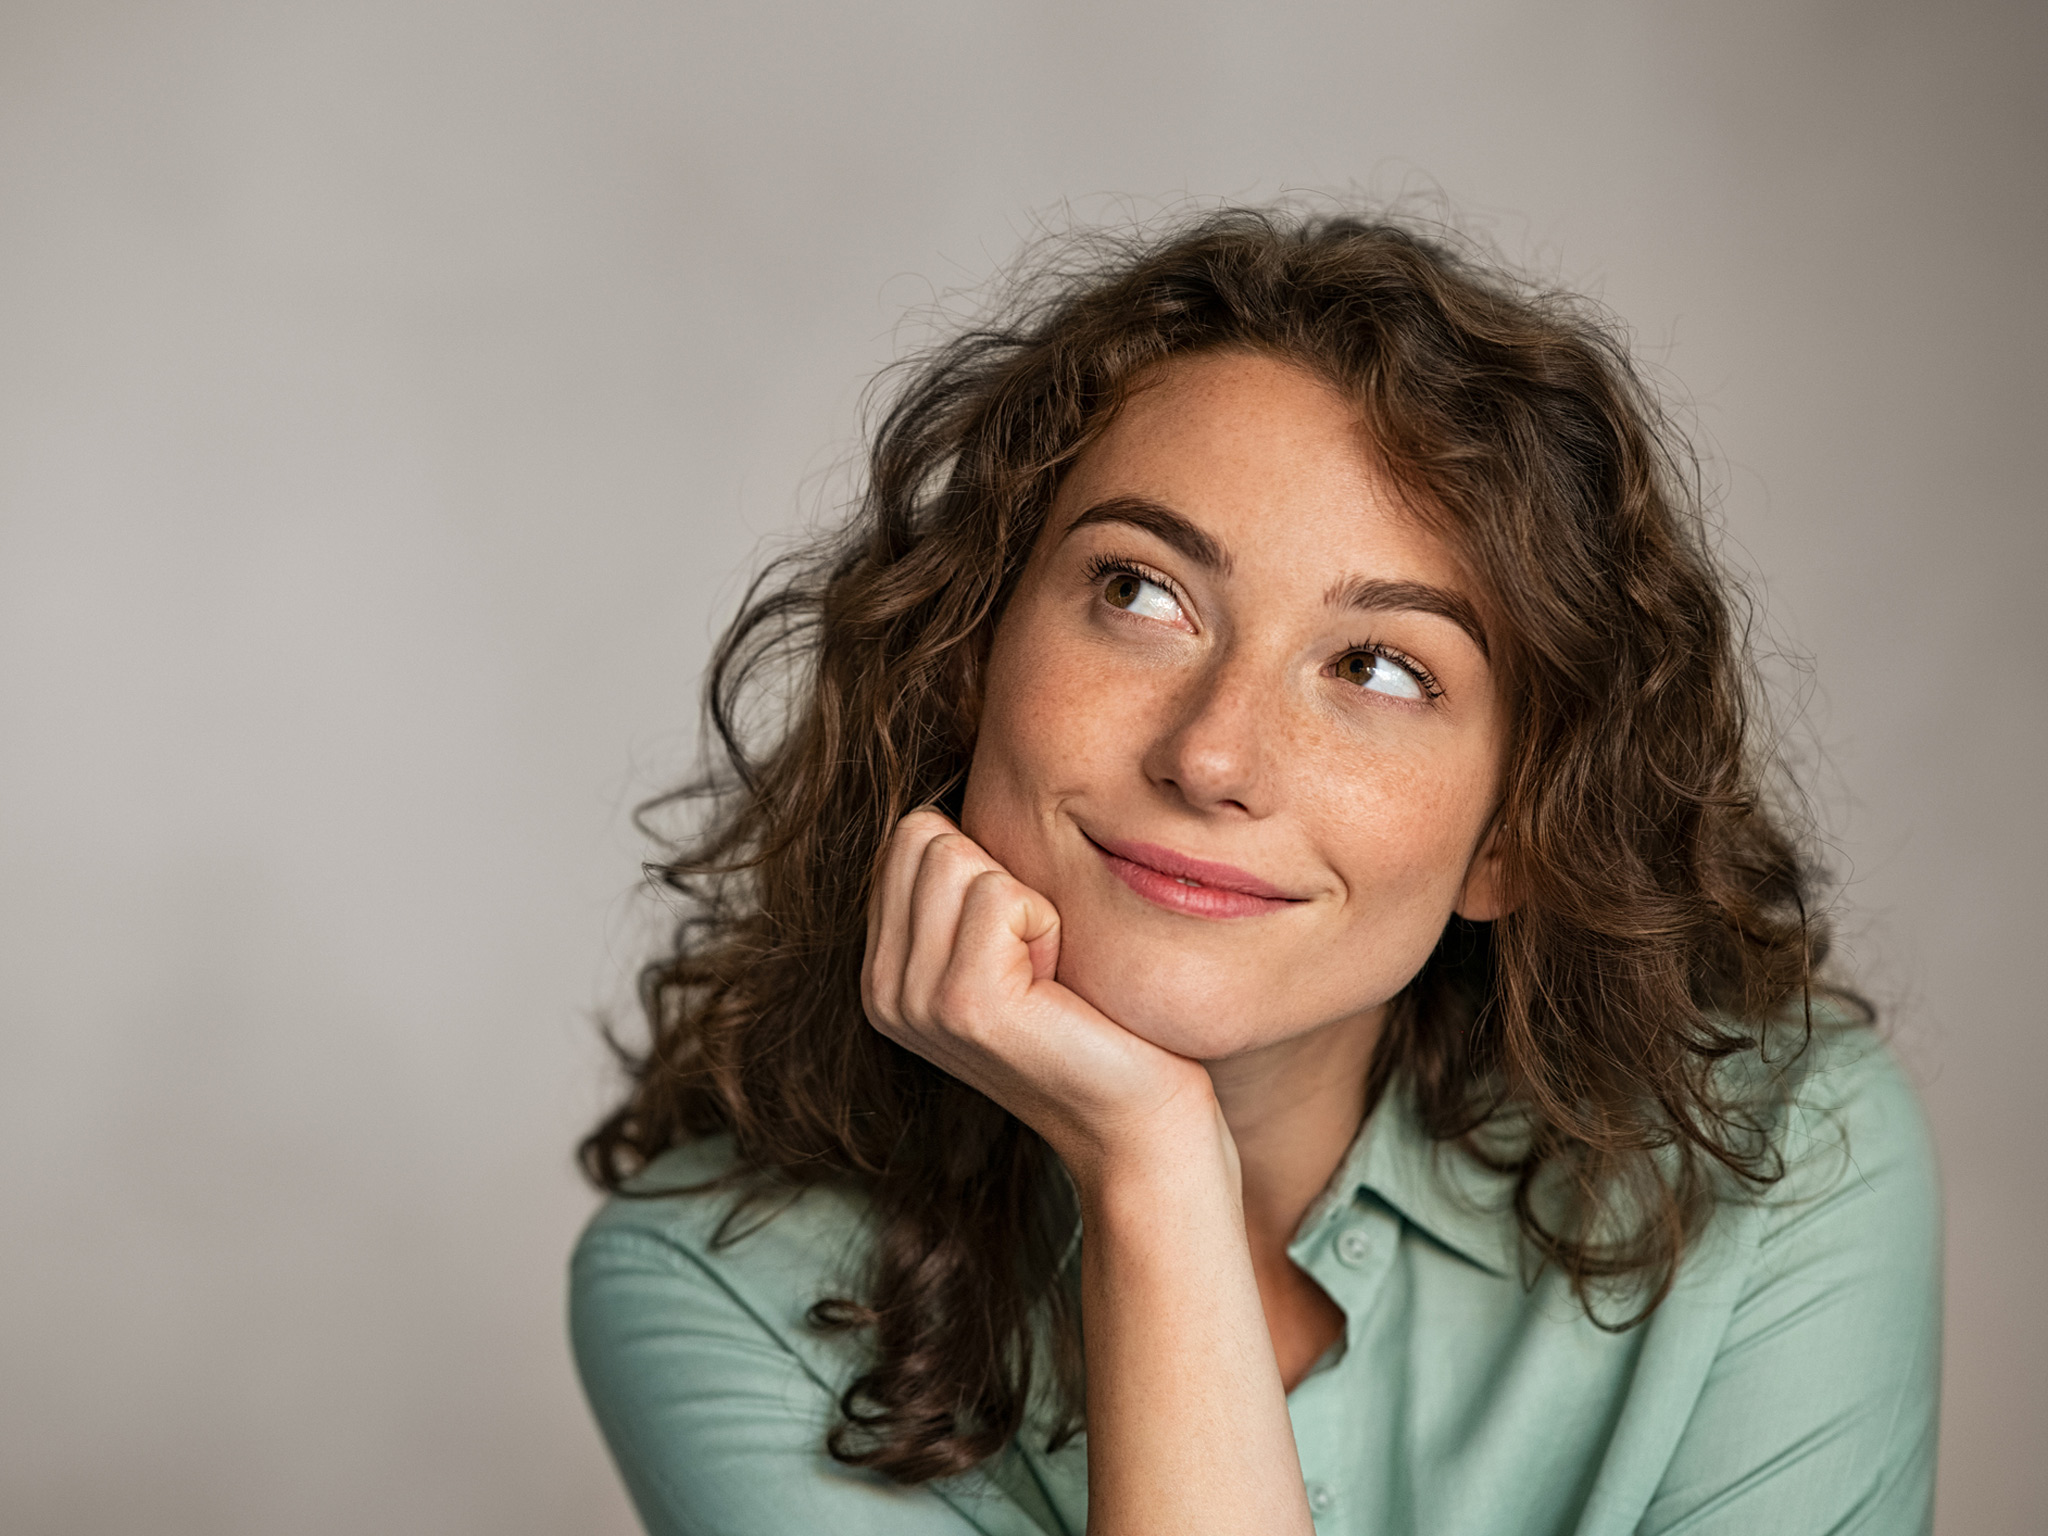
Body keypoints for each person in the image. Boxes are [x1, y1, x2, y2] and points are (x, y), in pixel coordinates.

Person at [569, 208, 1941, 1536]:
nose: (1216, 757)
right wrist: (1154, 1167)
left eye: (1381, 668)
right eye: (1141, 594)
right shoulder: (714, 1284)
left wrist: (1148, 1165)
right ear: (963, 659)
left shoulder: (1787, 1167)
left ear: (1520, 833)